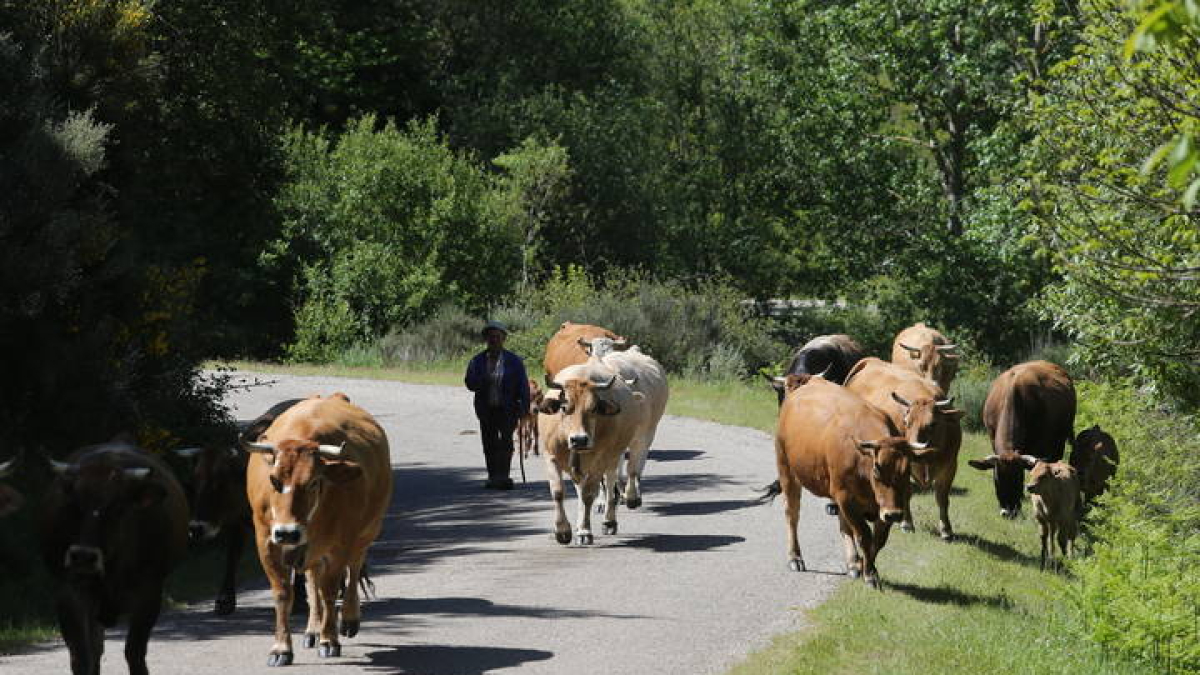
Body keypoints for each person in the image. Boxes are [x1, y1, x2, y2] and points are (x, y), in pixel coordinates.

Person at [464, 320, 530, 489]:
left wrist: (524, 409)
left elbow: (523, 386)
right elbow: (469, 383)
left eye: (497, 337)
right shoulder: (477, 361)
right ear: (486, 339)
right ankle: (493, 476)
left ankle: (504, 477)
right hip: (486, 408)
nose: (494, 340)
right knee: (489, 442)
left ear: (503, 339)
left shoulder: (514, 361)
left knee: (506, 441)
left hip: (508, 409)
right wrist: (482, 380)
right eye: (490, 337)